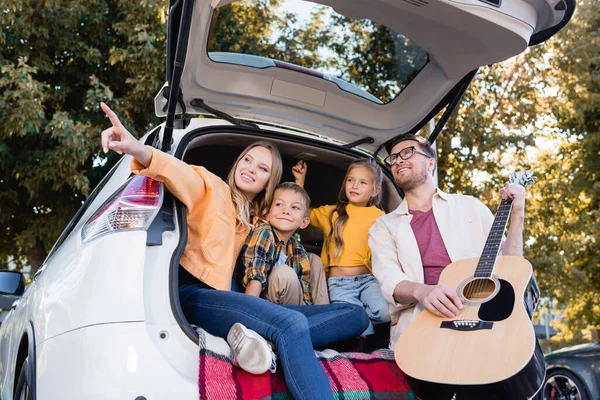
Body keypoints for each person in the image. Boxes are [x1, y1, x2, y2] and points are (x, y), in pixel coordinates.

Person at [100, 102, 369, 400]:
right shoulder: (211, 188)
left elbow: (289, 210)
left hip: (239, 302)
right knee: (291, 324)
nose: (251, 169)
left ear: (270, 180)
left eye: (263, 168)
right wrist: (136, 147)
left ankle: (270, 337)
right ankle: (280, 336)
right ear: (238, 162)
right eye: (248, 161)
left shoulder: (261, 221)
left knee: (355, 314)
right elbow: (176, 171)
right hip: (197, 294)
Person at [368, 133, 526, 348]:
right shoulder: (383, 226)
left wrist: (517, 214)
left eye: (408, 152)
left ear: (431, 162)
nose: (398, 160)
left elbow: (510, 263)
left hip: (484, 322)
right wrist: (421, 291)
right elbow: (390, 280)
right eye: (394, 158)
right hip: (421, 330)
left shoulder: (470, 206)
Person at [294, 159, 390, 335]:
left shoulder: (381, 217)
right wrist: (300, 182)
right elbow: (302, 213)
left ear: (375, 191)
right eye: (350, 180)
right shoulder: (333, 212)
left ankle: (352, 316)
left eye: (363, 182)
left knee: (385, 313)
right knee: (362, 328)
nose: (355, 185)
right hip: (339, 284)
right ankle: (355, 324)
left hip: (369, 281)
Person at [240, 182, 329, 305]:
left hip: (292, 307)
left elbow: (303, 290)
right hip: (261, 305)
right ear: (267, 214)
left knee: (314, 260)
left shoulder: (296, 248)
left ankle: (321, 311)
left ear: (304, 222)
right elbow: (255, 276)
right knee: (284, 273)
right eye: (279, 204)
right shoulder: (264, 233)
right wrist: (249, 313)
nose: (286, 211)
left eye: (294, 207)